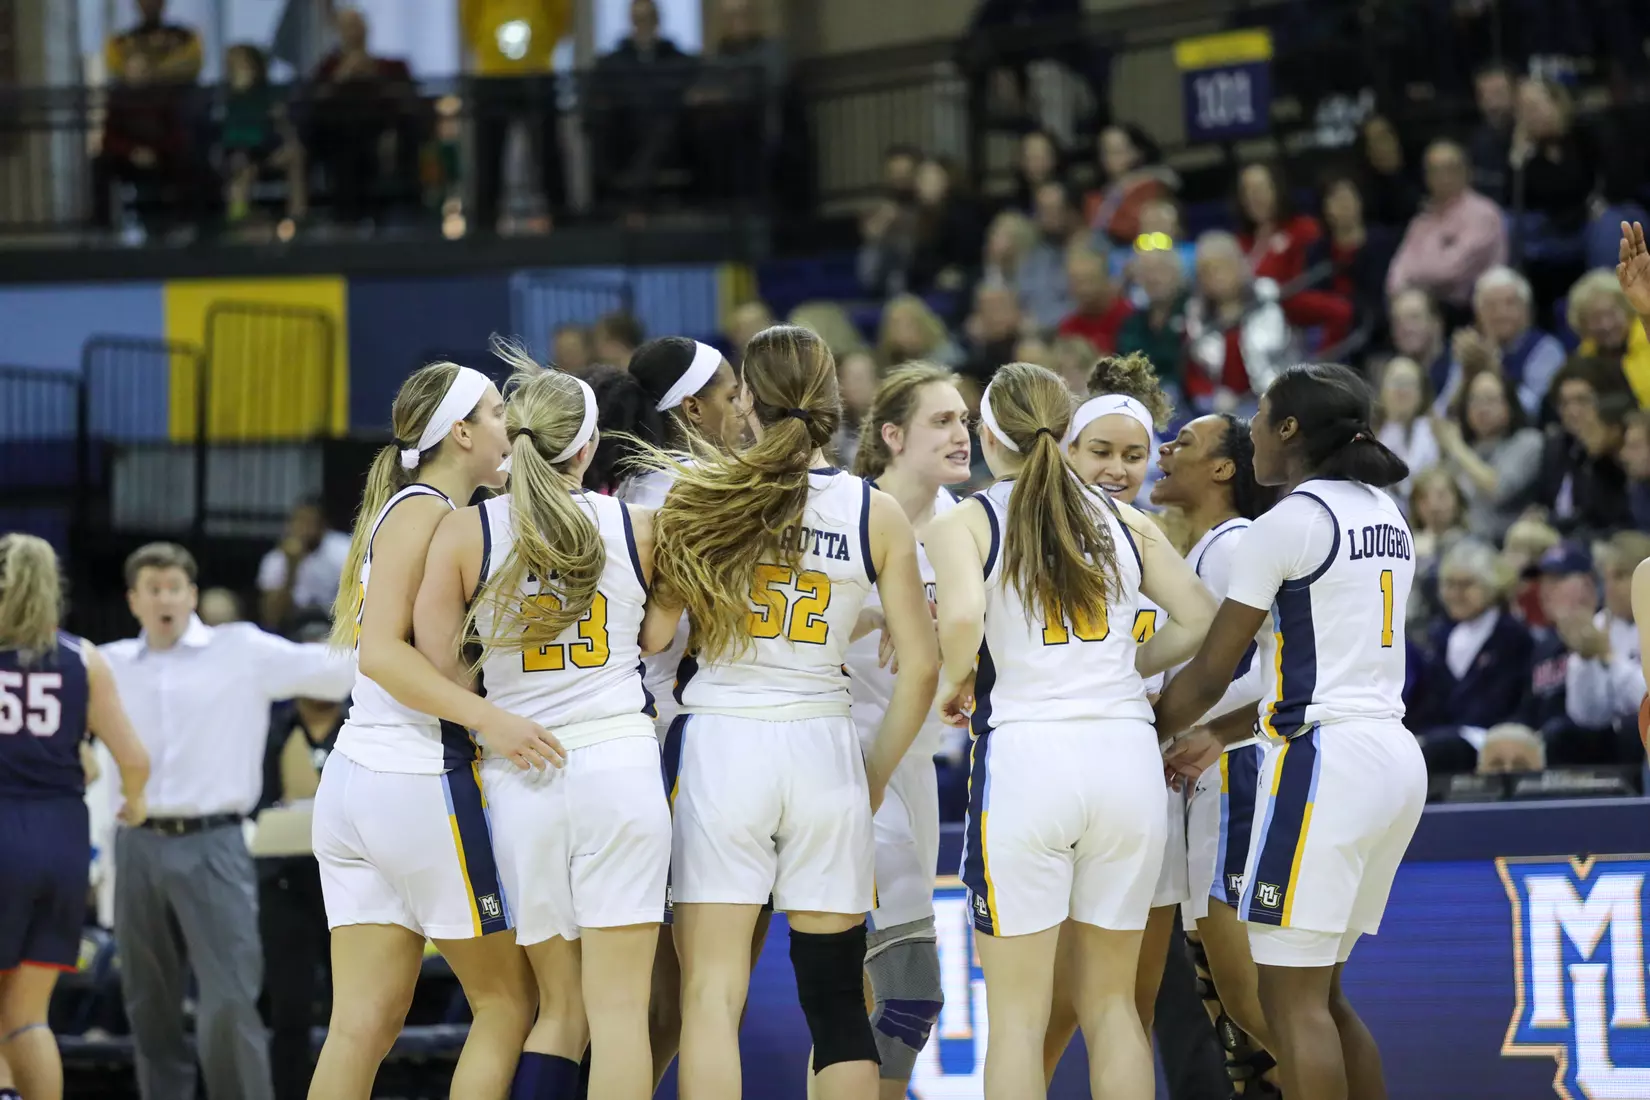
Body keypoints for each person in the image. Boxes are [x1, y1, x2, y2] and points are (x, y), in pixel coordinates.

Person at [639, 324, 939, 1100]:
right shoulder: (875, 511)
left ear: (747, 402)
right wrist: (870, 778)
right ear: (836, 401)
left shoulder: (700, 493)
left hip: (724, 747)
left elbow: (655, 635)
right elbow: (924, 665)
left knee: (710, 996)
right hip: (825, 750)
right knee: (837, 1002)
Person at [924, 361, 1217, 1099]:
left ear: (990, 435)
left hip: (1028, 759)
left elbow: (960, 619)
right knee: (1113, 1005)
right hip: (1124, 760)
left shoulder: (968, 518)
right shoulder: (1123, 517)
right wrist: (1126, 661)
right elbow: (1202, 618)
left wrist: (953, 679)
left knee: (1019, 1018)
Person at [1157, 363, 1428, 1100]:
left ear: (1289, 431)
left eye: (1259, 421)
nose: (1249, 440)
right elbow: (1318, 672)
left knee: (1290, 1004)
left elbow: (1213, 670)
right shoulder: (1383, 511)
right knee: (1327, 999)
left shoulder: (1289, 522)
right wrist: (1225, 729)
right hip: (1392, 756)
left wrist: (1140, 728)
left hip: (1327, 765)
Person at [307, 359, 564, 1100]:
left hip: (357, 781)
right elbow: (383, 653)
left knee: (364, 1021)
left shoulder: (410, 509)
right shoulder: (430, 512)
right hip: (417, 780)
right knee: (510, 1004)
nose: (507, 427)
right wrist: (494, 718)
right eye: (493, 411)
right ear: (460, 431)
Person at [414, 356, 670, 1100]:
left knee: (556, 1012)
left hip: (523, 771)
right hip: (618, 764)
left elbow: (438, 665)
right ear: (590, 449)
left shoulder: (465, 533)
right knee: (619, 1015)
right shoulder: (639, 524)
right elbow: (655, 642)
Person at [98, 540, 351, 1100]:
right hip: (135, 843)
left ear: (192, 594)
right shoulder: (106, 664)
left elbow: (337, 674)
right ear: (133, 600)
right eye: (152, 589)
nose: (164, 598)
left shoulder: (241, 650)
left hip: (216, 842)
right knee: (148, 1003)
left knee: (232, 997)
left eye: (174, 587)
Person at [1049, 355, 1226, 1097]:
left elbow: (1198, 635)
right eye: (1101, 452)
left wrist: (1128, 674)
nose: (1118, 468)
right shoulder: (1033, 531)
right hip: (1056, 774)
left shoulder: (1155, 543)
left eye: (1133, 455)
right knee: (1060, 1008)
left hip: (1130, 778)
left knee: (1131, 1001)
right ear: (1065, 451)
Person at [584, 336, 754, 1088]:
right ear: (690, 407)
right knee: (692, 1000)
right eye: (729, 394)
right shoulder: (692, 492)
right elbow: (673, 629)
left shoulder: (630, 489)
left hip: (618, 737)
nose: (742, 405)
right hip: (674, 740)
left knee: (632, 1004)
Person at [844, 364, 973, 1098]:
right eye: (941, 421)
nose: (961, 433)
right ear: (892, 435)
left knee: (868, 1005)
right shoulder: (850, 512)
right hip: (857, 759)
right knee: (908, 995)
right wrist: (866, 617)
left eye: (964, 419)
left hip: (918, 763)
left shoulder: (962, 519)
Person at [1150, 414, 1281, 1097]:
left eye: (1183, 444)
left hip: (1238, 772)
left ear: (1224, 469)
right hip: (1206, 781)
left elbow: (1281, 668)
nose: (1163, 452)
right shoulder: (1199, 551)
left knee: (1252, 1001)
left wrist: (1218, 731)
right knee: (1227, 1005)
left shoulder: (1235, 544)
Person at [0, 535, 149, 1100]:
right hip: (59, 846)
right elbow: (133, 759)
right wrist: (134, 802)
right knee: (27, 1014)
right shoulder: (84, 658)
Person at [258, 496, 351, 630]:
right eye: (299, 521)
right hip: (293, 629)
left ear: (323, 525)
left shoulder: (344, 550)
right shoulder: (276, 558)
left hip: (336, 625)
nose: (303, 528)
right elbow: (272, 618)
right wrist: (291, 567)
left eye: (310, 522)